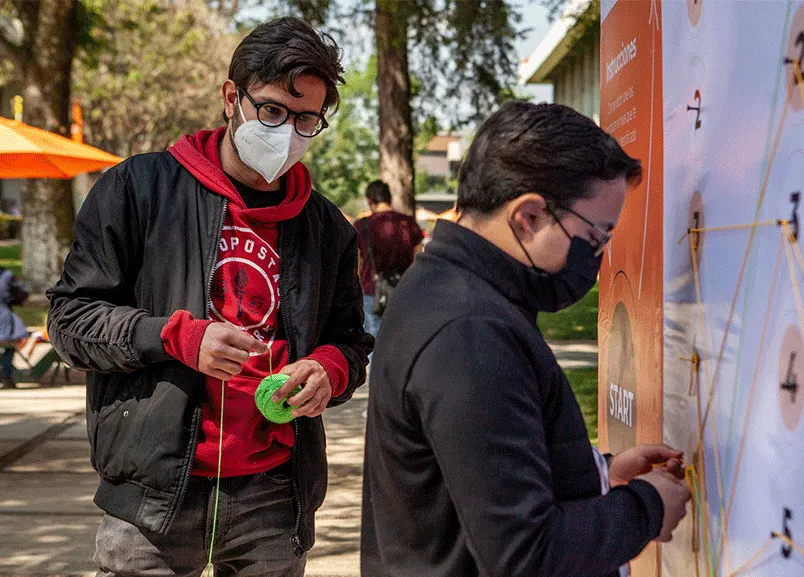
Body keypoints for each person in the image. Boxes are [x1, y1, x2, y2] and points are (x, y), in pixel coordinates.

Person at [46, 17, 373, 576]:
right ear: (231, 97)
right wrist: (177, 337)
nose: (287, 131)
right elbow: (70, 322)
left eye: (306, 120)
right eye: (272, 110)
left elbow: (350, 342)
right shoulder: (137, 190)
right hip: (154, 496)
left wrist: (329, 369)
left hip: (273, 494)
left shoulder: (328, 229)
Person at [360, 101, 691, 577]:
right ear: (529, 216)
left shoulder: (443, 286)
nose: (597, 257)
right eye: (596, 237)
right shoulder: (469, 333)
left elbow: (479, 472)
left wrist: (599, 474)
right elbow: (525, 555)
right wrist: (646, 508)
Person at [353, 180, 424, 339]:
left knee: (373, 343)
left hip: (372, 291)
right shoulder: (408, 222)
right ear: (389, 198)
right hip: (404, 290)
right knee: (403, 343)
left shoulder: (361, 226)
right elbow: (419, 258)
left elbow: (357, 264)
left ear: (370, 200)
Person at [0, 267, 28, 388]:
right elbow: (21, 294)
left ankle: (6, 376)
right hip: (3, 317)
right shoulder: (7, 275)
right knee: (10, 343)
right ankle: (6, 376)